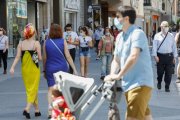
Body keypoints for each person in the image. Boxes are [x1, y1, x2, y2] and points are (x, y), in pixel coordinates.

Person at [104, 6, 154, 120]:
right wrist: (112, 75)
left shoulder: (137, 34)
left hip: (140, 84)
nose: (116, 20)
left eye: (118, 17)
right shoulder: (120, 37)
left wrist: (119, 75)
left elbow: (133, 56)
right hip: (128, 84)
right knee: (145, 116)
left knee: (132, 117)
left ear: (126, 19)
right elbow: (116, 59)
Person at [43, 23, 78, 119]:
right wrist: (74, 69)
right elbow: (68, 56)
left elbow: (45, 58)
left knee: (50, 89)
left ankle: (50, 111)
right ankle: (64, 110)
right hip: (62, 67)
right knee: (62, 89)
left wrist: (44, 69)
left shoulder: (46, 42)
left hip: (50, 67)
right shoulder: (63, 41)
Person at [10, 23, 42, 119]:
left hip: (25, 69)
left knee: (30, 89)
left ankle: (37, 110)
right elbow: (39, 58)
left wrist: (12, 67)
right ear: (33, 33)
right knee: (33, 88)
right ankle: (27, 109)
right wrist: (36, 55)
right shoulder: (36, 43)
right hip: (34, 69)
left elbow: (17, 57)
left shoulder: (21, 43)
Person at [152, 21, 177, 92]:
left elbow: (174, 47)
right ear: (161, 27)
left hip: (169, 56)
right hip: (160, 56)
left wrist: (174, 57)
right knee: (160, 72)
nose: (165, 28)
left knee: (169, 73)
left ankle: (167, 86)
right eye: (164, 26)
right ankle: (159, 81)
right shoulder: (157, 36)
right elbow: (154, 47)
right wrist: (155, 56)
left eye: (166, 26)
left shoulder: (171, 36)